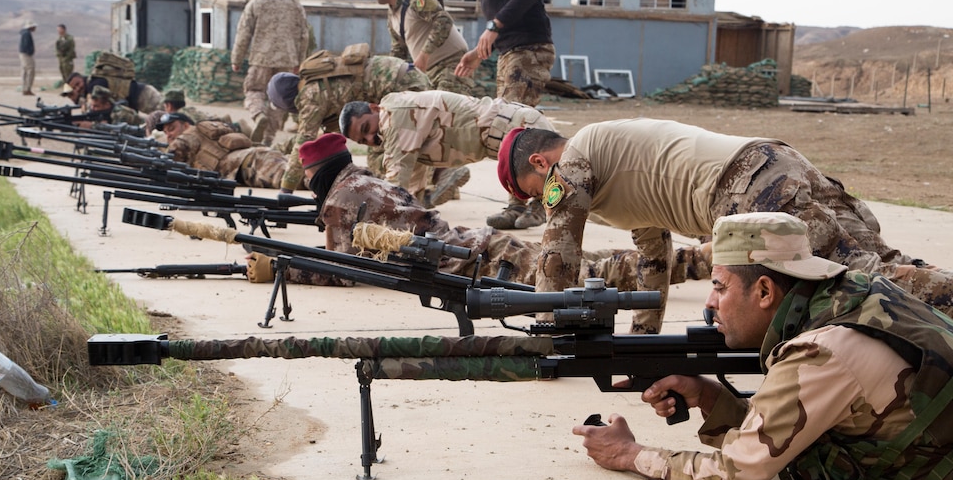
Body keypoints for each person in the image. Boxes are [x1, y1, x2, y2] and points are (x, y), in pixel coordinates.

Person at [576, 212, 953, 480]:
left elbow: (731, 477)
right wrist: (710, 397)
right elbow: (783, 426)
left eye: (720, 287)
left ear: (764, 292)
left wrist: (628, 454)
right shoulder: (850, 296)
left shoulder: (821, 352)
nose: (710, 303)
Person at [498, 121, 953, 334]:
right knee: (881, 268)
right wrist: (643, 341)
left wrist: (547, 334)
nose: (544, 200)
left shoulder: (576, 155)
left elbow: (557, 256)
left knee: (858, 280)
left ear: (541, 162)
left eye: (534, 190)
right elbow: (656, 257)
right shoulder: (613, 169)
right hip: (771, 162)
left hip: (748, 183)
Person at [243, 132, 710, 290]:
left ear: (317, 174)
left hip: (477, 262)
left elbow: (346, 270)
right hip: (477, 248)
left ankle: (704, 261)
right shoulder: (364, 180)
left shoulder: (339, 203)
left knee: (601, 276)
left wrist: (283, 270)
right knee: (592, 265)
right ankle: (698, 258)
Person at [453, 0, 555, 229]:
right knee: (514, 130)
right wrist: (478, 52)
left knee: (520, 127)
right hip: (511, 51)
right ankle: (518, 202)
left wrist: (494, 26)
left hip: (528, 50)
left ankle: (541, 202)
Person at [338, 90, 552, 211]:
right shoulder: (400, 123)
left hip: (523, 131)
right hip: (513, 135)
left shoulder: (394, 116)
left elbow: (395, 182)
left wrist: (369, 217)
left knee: (566, 197)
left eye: (366, 128)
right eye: (363, 140)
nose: (370, 138)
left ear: (374, 108)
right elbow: (410, 183)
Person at [263, 50, 431, 194]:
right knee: (399, 143)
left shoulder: (309, 96)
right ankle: (423, 188)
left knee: (392, 149)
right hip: (410, 77)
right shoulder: (317, 82)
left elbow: (303, 144)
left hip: (402, 88)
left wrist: (286, 189)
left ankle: (412, 196)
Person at [359, 0, 472, 95]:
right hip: (427, 74)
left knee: (445, 110)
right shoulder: (392, 15)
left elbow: (444, 21)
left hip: (451, 65)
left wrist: (424, 55)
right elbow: (398, 52)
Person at [231, 0, 311, 147]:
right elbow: (303, 34)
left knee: (254, 90)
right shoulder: (293, 2)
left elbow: (243, 33)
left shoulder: (256, 2)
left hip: (261, 58)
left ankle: (258, 115)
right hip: (287, 59)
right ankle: (268, 139)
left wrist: (236, 59)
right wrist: (299, 61)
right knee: (279, 99)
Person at [157, 112, 291, 189]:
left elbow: (172, 155)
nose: (168, 134)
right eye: (165, 132)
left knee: (296, 180)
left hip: (252, 165)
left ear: (185, 125)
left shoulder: (189, 135)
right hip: (256, 157)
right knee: (301, 171)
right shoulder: (203, 133)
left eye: (171, 128)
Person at [62, 71, 162, 114]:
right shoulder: (90, 87)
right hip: (136, 100)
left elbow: (96, 106)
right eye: (74, 88)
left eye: (77, 84)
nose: (77, 89)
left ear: (80, 79)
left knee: (168, 115)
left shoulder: (94, 85)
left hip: (145, 95)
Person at [18, 20, 37, 96]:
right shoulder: (27, 34)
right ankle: (27, 89)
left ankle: (25, 88)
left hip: (23, 54)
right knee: (30, 70)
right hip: (26, 54)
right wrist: (30, 52)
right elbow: (26, 45)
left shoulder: (25, 33)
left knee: (25, 70)